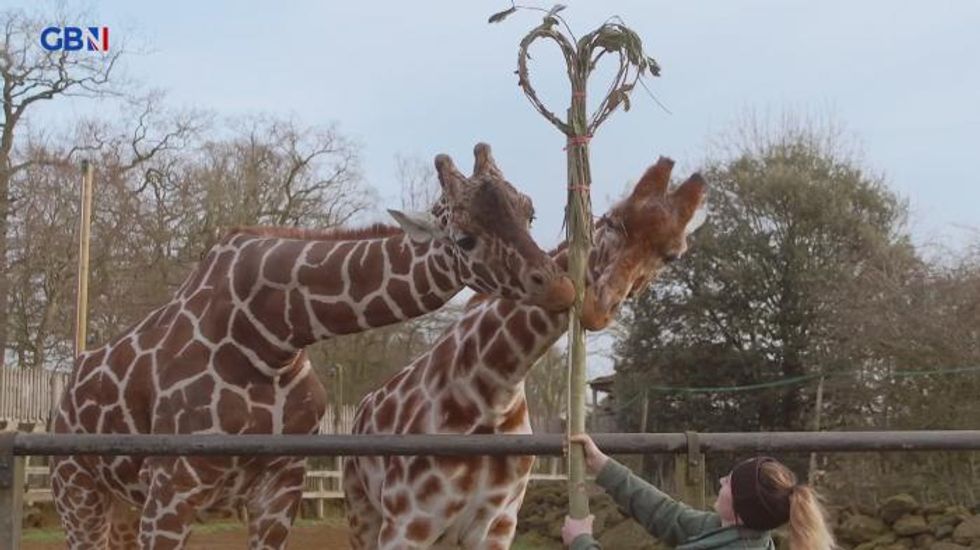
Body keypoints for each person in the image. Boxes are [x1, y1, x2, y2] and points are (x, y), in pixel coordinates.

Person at [561, 434, 835, 549]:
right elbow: (667, 515)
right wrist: (603, 465)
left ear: (739, 509)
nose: (721, 481)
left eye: (729, 483)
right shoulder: (741, 534)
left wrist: (581, 541)